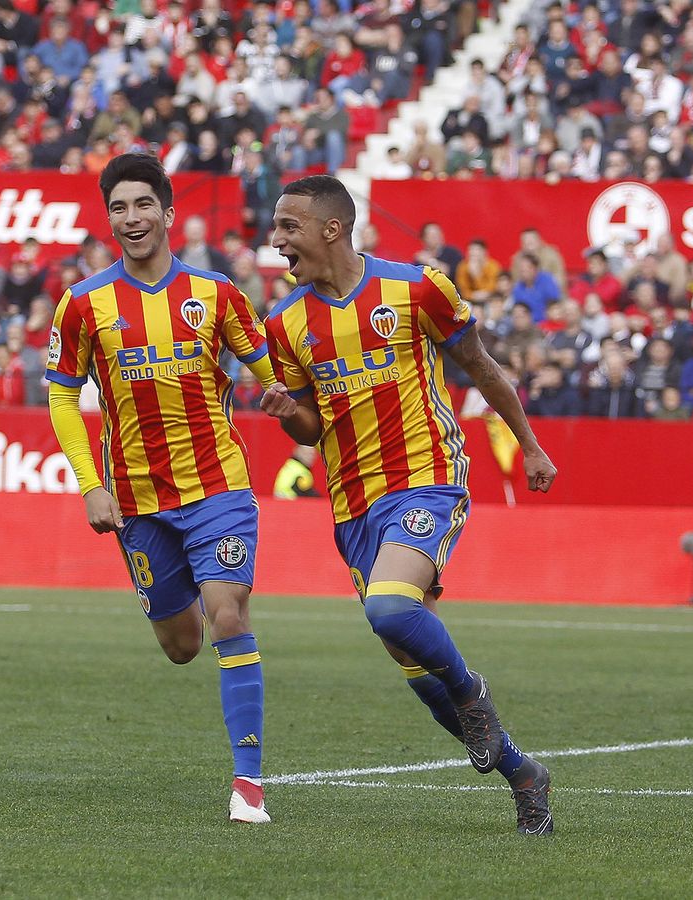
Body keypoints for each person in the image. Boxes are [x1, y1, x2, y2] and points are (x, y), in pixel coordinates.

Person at [260, 175, 557, 835]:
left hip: (427, 476)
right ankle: (524, 774)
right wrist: (288, 415)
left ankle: (473, 695)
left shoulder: (418, 287)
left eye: (288, 227)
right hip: (352, 506)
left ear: (332, 228)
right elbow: (312, 426)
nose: (276, 240)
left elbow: (481, 368)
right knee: (406, 650)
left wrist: (530, 447)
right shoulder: (284, 324)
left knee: (390, 606)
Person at [46, 154, 285, 825]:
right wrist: (91, 486)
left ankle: (249, 783)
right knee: (181, 644)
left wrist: (292, 406)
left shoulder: (218, 295)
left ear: (169, 213)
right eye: (119, 208)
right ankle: (197, 598)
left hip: (218, 490)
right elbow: (63, 399)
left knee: (229, 614)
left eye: (143, 205)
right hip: (137, 502)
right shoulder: (84, 304)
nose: (132, 219)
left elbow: (272, 374)